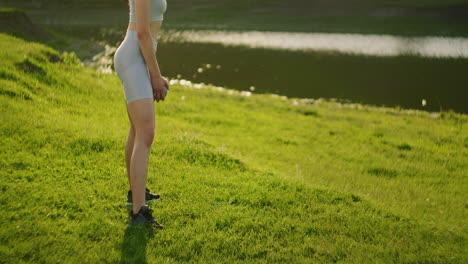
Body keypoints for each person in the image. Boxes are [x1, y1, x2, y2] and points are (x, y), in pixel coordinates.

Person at [113, 0, 169, 228]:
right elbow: (143, 34)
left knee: (138, 131)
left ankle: (136, 194)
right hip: (134, 57)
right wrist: (155, 75)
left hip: (139, 58)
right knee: (146, 133)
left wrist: (151, 69)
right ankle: (138, 212)